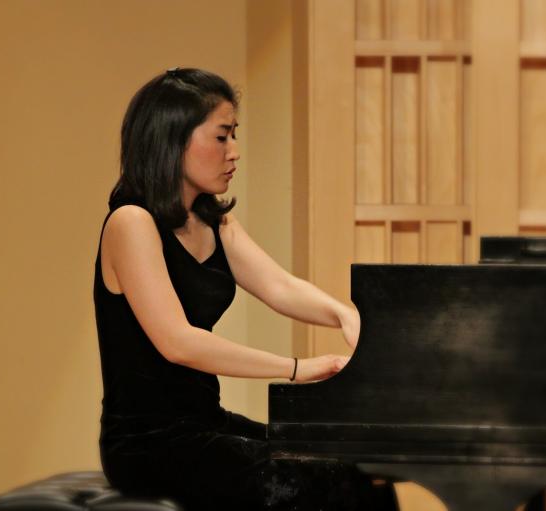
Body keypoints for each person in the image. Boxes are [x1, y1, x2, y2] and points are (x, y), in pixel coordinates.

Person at [94, 68, 396, 510]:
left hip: (205, 426)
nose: (234, 152)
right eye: (221, 137)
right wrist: (296, 367)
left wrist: (345, 315)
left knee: (359, 469)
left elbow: (280, 287)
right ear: (173, 138)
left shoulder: (214, 222)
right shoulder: (131, 223)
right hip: (150, 443)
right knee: (316, 483)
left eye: (235, 135)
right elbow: (178, 343)